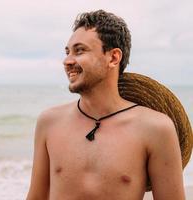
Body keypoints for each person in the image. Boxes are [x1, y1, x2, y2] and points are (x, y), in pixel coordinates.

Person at [26, 10, 185, 200]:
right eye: (67, 52)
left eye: (80, 50)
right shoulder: (49, 122)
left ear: (113, 58)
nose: (67, 61)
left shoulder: (156, 128)